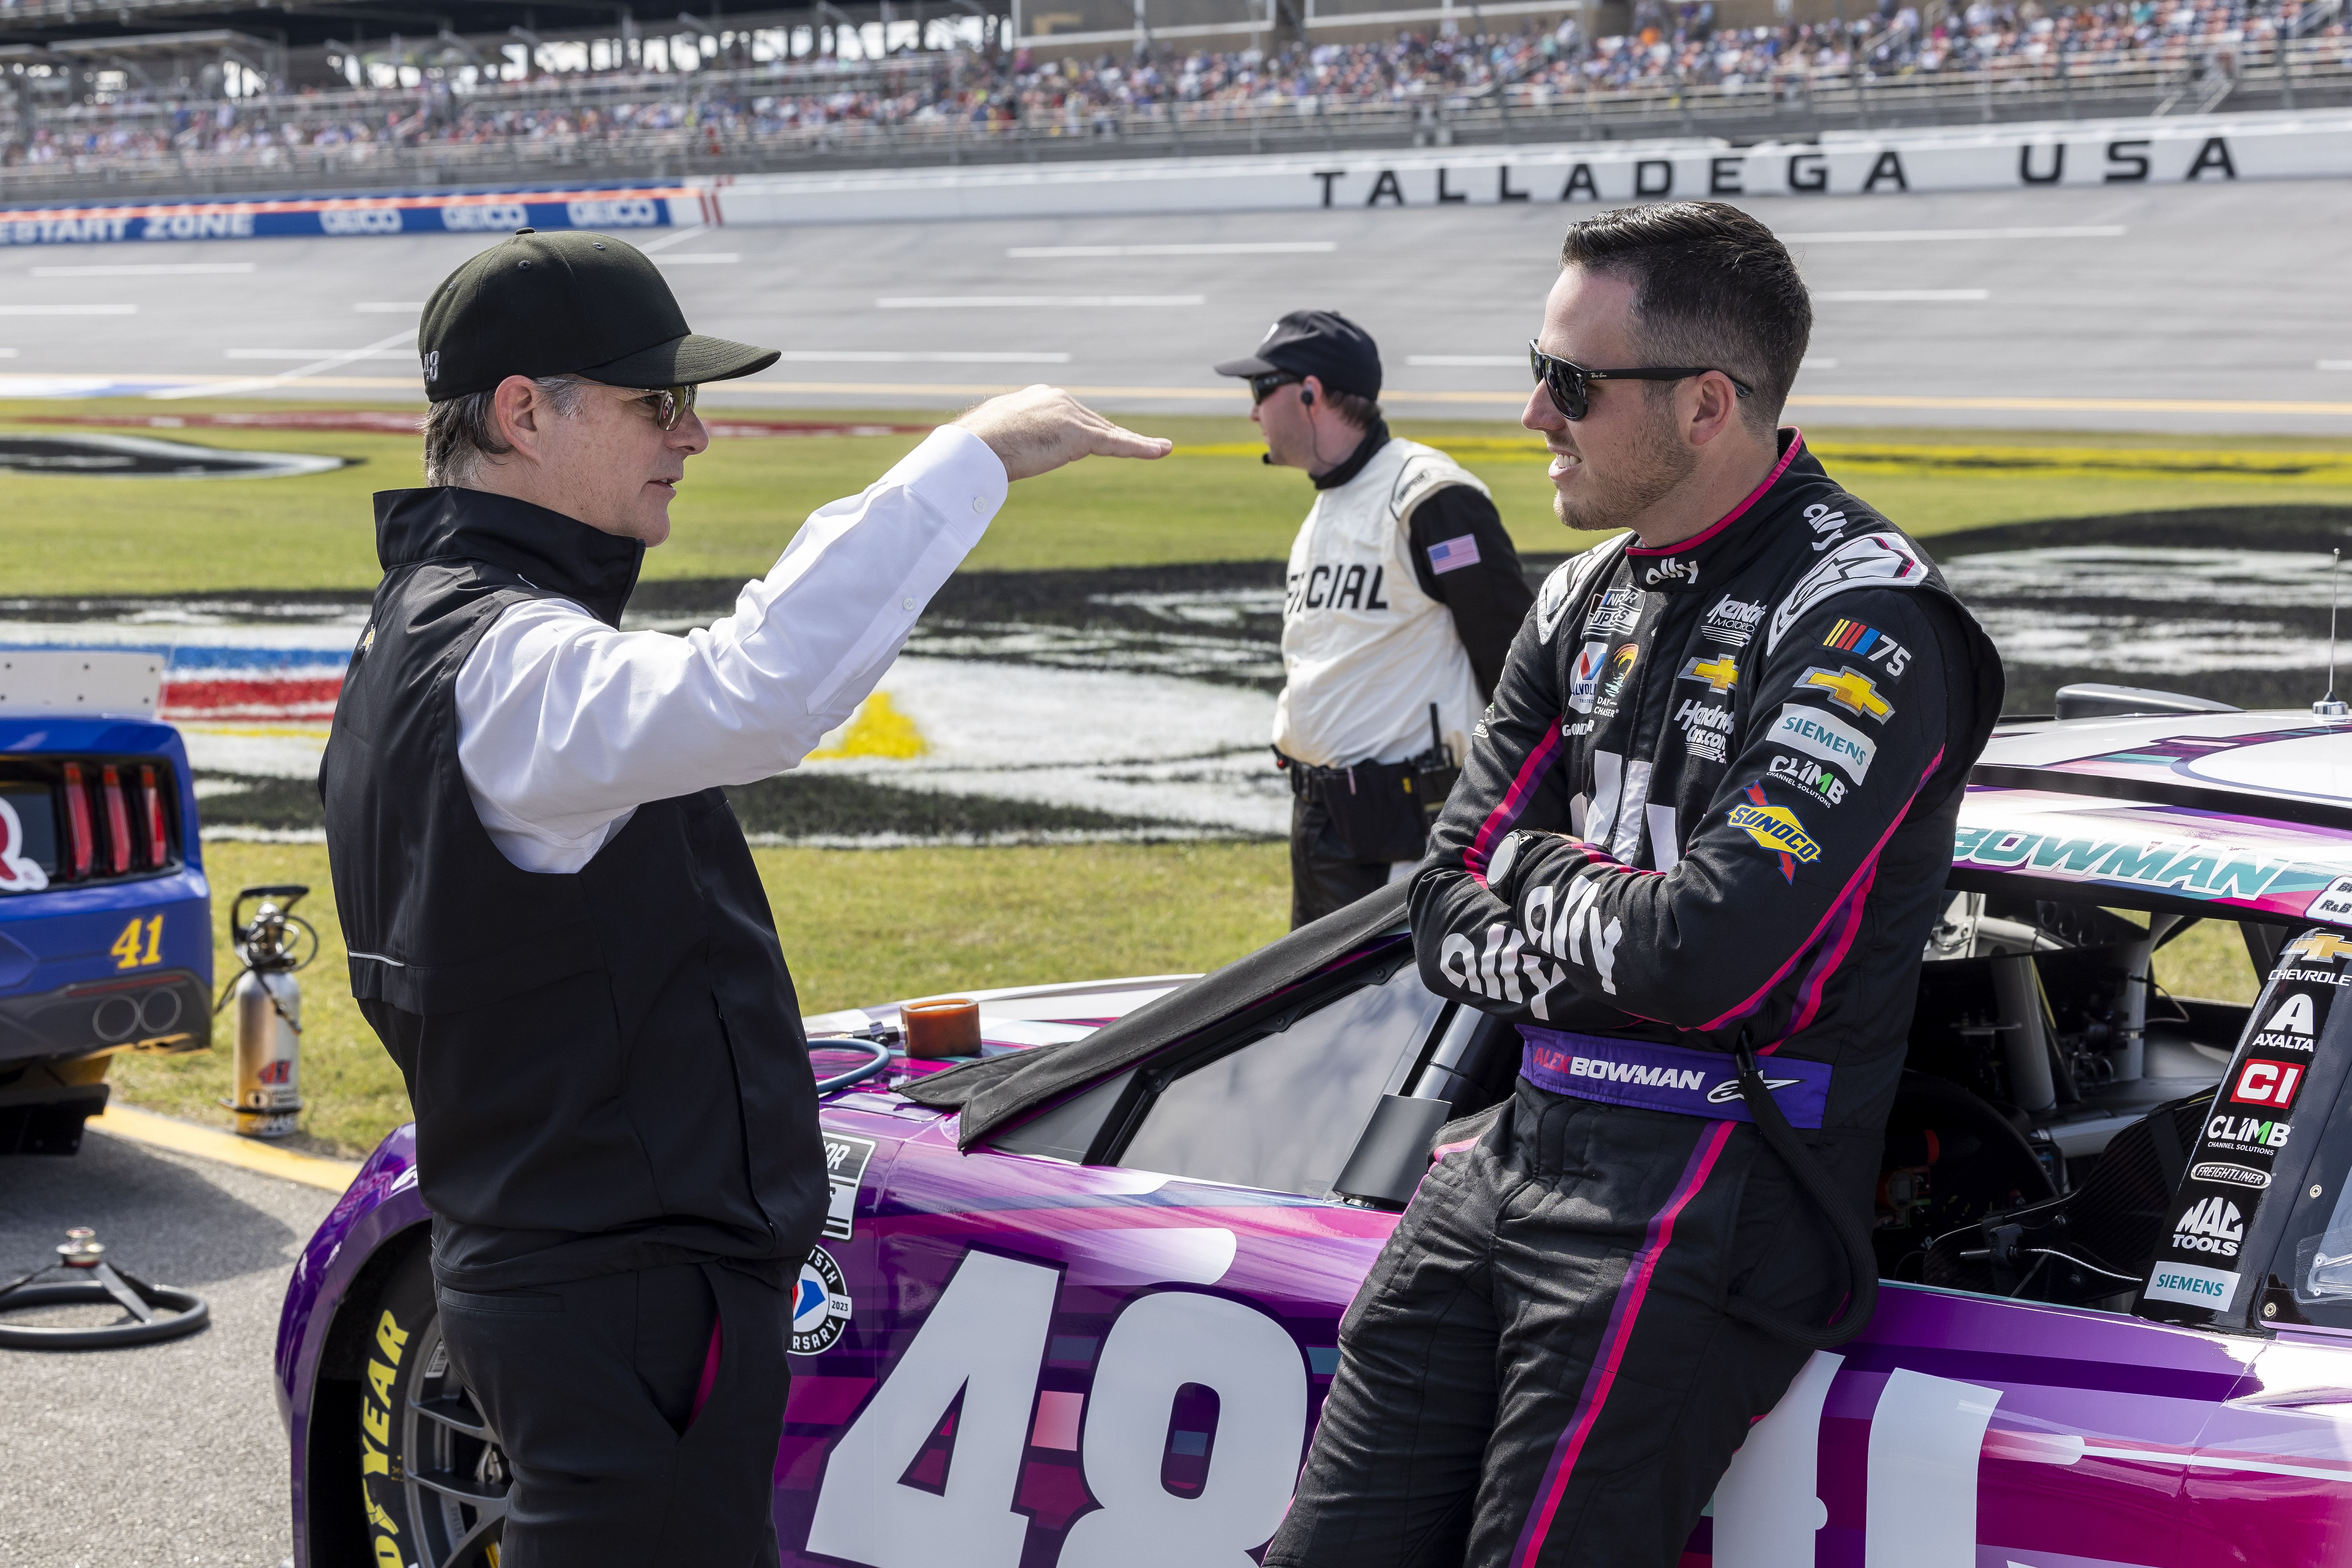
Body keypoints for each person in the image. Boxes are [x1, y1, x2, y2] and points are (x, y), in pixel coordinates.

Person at [319, 227, 1167, 1567]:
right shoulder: (512, 655)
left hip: (551, 1252)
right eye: (659, 402)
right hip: (619, 1276)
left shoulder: (426, 623)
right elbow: (756, 691)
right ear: (524, 413)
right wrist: (971, 458)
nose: (694, 435)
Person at [1265, 202, 2003, 1567]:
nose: (1535, 412)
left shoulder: (1869, 620)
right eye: (1538, 366)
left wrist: (1537, 878)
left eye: (1572, 382)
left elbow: (1703, 954)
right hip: (1519, 1143)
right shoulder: (1583, 594)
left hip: (1720, 1182)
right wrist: (1599, 913)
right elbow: (1439, 903)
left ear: (1707, 404)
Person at [1214, 310, 1534, 929]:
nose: (1254, 412)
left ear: (1310, 392)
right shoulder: (1331, 502)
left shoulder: (1430, 497)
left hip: (1403, 831)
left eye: (1261, 390)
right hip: (1321, 819)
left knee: (1388, 1019)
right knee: (1312, 1012)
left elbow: (1511, 660)